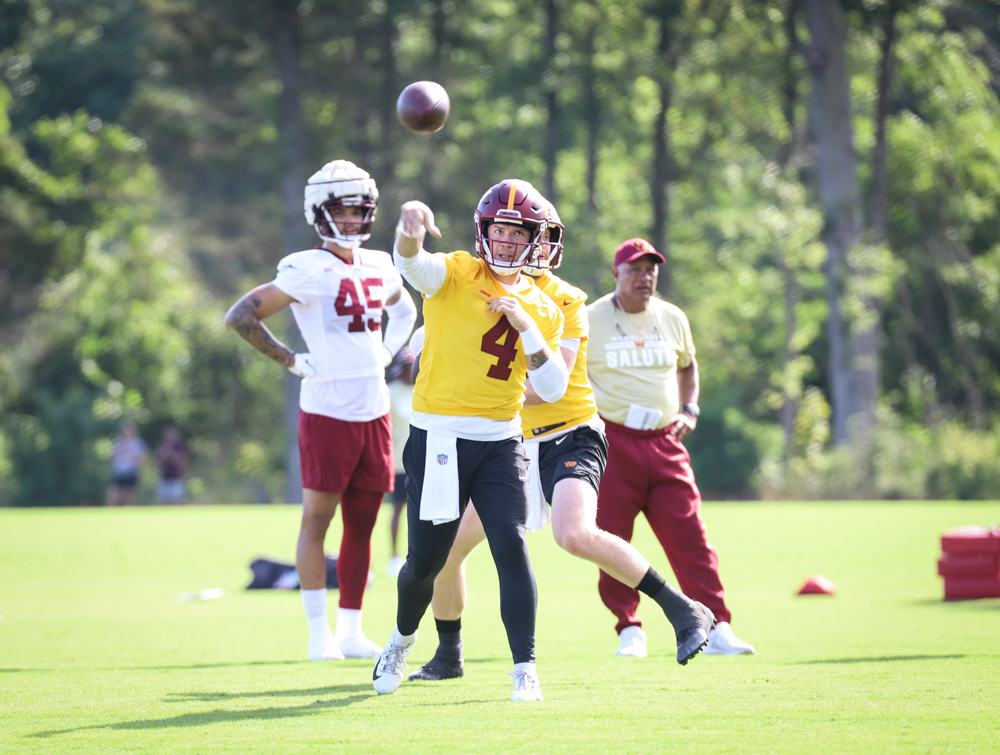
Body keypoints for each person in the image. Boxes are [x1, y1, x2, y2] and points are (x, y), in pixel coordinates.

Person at [407, 200, 716, 684]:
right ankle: (449, 654)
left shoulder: (565, 300)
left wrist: (465, 393)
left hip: (567, 434)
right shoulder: (475, 284)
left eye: (538, 236)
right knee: (448, 551)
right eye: (520, 233)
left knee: (573, 533)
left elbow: (548, 383)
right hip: (509, 442)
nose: (531, 245)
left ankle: (682, 609)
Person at [371, 180, 569, 702]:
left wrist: (525, 324)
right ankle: (402, 639)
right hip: (439, 436)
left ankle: (525, 668)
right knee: (425, 562)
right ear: (485, 231)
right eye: (500, 229)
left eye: (518, 232)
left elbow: (553, 388)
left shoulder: (544, 307)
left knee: (511, 545)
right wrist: (409, 230)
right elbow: (412, 264)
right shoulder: (458, 272)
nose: (507, 240)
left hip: (501, 441)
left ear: (535, 239)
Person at [225, 160, 417, 661]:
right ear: (319, 212)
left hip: (374, 409)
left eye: (359, 210)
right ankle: (318, 634)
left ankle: (351, 631)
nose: (352, 219)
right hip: (328, 408)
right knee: (317, 519)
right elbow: (240, 315)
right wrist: (290, 360)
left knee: (364, 523)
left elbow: (405, 309)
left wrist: (388, 350)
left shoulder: (379, 263)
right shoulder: (306, 267)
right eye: (342, 210)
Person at [586, 238, 754, 657]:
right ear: (616, 274)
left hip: (664, 440)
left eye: (651, 270)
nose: (644, 278)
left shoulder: (673, 317)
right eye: (635, 270)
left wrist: (690, 408)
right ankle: (629, 627)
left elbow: (688, 365)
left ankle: (717, 626)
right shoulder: (591, 318)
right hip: (613, 440)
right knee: (611, 537)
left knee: (691, 538)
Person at [385, 346, 416, 577]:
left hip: (422, 462)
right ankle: (394, 557)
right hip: (397, 463)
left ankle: (417, 555)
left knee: (422, 513)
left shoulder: (424, 390)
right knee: (397, 510)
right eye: (407, 367)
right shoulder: (390, 393)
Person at [105, 423, 147, 507]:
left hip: (131, 472)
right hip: (119, 472)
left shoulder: (137, 443)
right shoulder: (117, 442)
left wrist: (130, 455)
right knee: (113, 494)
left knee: (130, 496)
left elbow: (141, 459)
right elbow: (111, 457)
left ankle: (130, 512)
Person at [156, 425, 187, 504]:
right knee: (164, 501)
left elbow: (179, 460)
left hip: (175, 476)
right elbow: (160, 458)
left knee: (177, 500)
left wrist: (170, 453)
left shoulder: (178, 446)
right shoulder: (163, 445)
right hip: (164, 476)